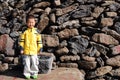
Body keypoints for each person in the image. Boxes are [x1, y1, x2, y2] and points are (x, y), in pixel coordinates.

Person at [19, 15, 43, 79]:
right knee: (26, 63)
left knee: (34, 63)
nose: (31, 24)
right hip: (26, 51)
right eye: (29, 22)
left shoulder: (36, 32)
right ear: (27, 23)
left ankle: (34, 73)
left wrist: (40, 49)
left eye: (32, 22)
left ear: (34, 23)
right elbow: (22, 41)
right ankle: (27, 73)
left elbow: (39, 41)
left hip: (34, 51)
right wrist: (22, 48)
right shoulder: (25, 32)